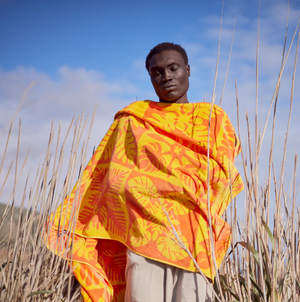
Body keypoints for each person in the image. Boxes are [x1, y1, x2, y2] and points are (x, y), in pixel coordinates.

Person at [47, 42, 244, 302]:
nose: (166, 76)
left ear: (187, 69)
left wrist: (170, 189)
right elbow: (111, 178)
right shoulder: (134, 119)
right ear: (150, 77)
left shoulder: (212, 118)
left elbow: (221, 177)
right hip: (144, 238)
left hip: (195, 239)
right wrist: (151, 191)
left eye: (173, 68)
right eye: (157, 72)